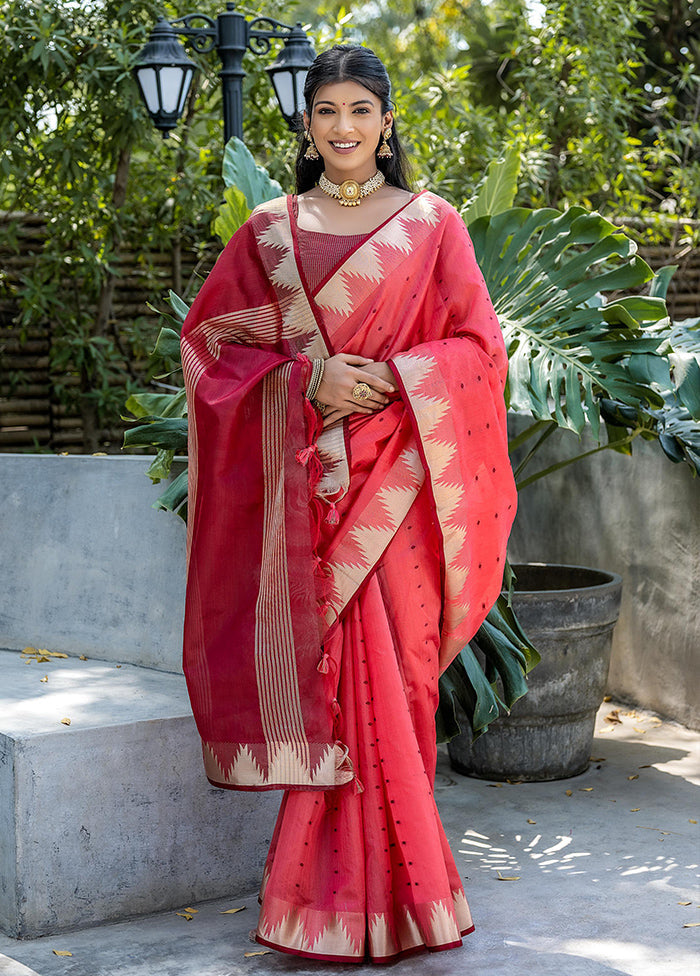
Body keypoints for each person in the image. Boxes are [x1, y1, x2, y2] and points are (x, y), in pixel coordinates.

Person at [180, 43, 517, 964]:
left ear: (387, 122)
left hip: (398, 493)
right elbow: (212, 350)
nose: (343, 128)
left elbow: (480, 350)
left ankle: (408, 899)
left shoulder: (434, 224)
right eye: (326, 110)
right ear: (306, 123)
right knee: (326, 687)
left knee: (396, 686)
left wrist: (403, 377)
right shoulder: (269, 231)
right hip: (310, 497)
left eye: (360, 111)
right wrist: (308, 378)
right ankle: (314, 903)